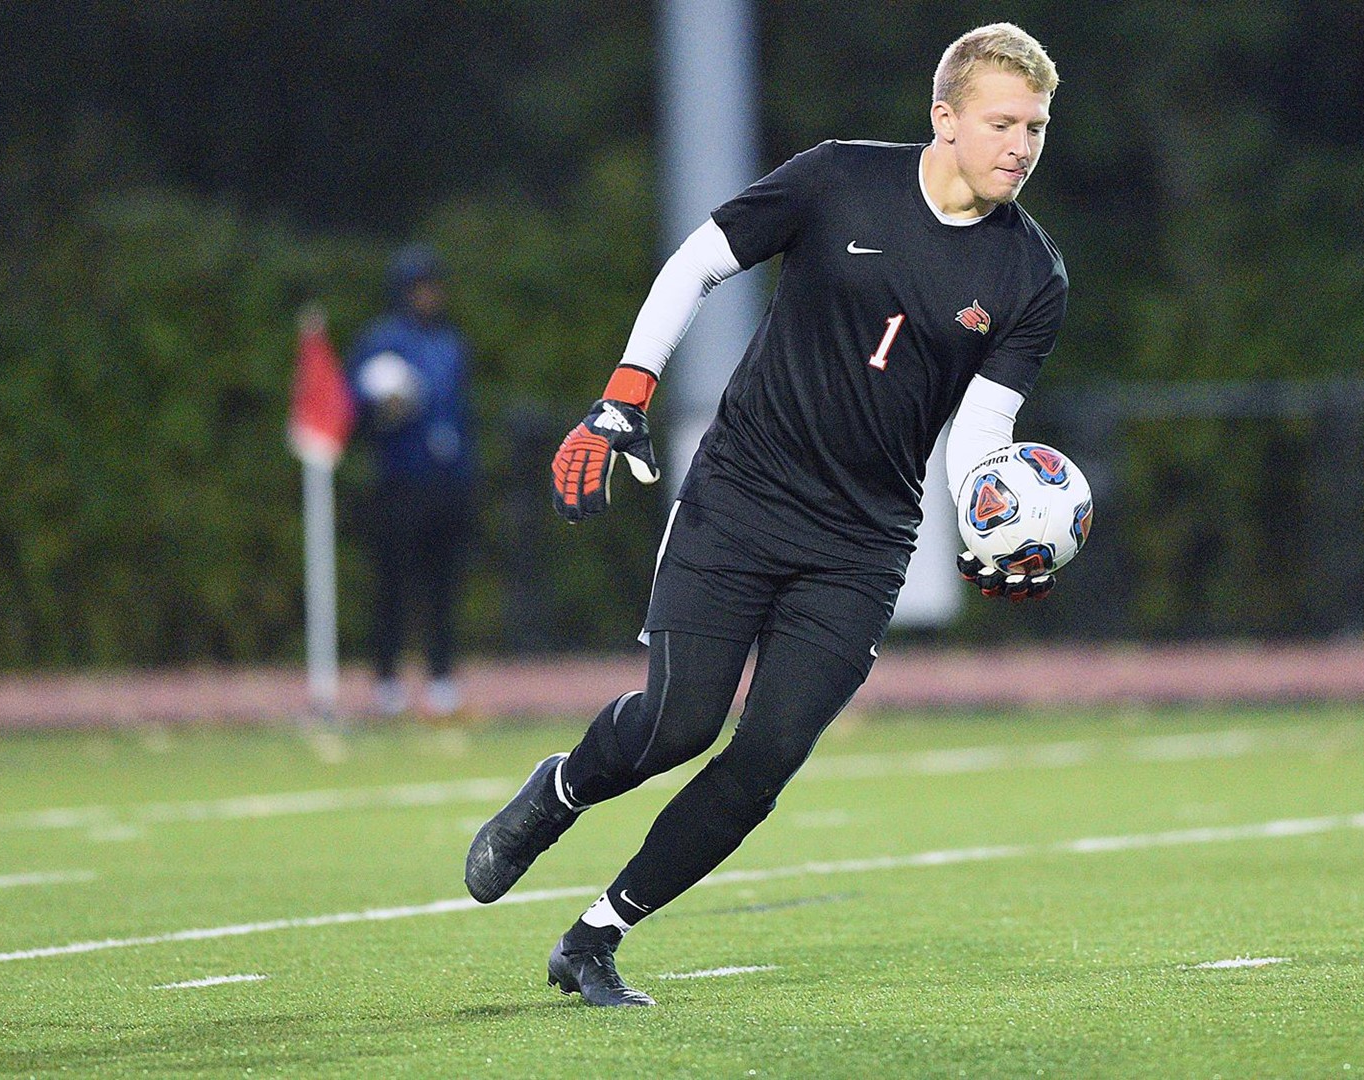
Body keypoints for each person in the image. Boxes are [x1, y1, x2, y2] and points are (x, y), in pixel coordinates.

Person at [465, 23, 1067, 1006]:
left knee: (766, 760)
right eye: (1003, 122)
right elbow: (696, 263)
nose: (1021, 145)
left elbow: (983, 429)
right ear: (944, 117)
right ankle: (562, 791)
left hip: (862, 543)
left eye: (1036, 126)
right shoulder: (836, 178)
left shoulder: (1033, 274)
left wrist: (992, 522)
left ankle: (596, 937)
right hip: (742, 497)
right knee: (677, 724)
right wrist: (624, 397)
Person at [348, 244, 476, 716]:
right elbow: (359, 404)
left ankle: (442, 677)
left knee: (445, 582)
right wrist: (382, 407)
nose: (429, 295)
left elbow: (460, 410)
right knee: (394, 582)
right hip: (401, 479)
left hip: (449, 478)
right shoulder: (381, 341)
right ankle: (387, 680)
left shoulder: (450, 343)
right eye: (420, 287)